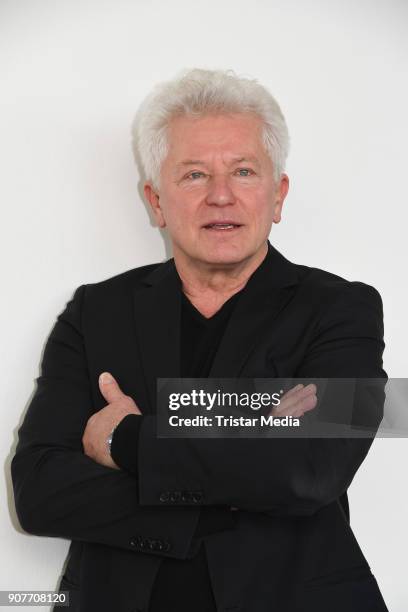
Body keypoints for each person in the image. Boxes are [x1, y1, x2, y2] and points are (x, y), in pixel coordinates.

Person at [11, 68, 389, 612]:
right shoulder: (95, 312)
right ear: (156, 200)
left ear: (277, 195)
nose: (220, 196)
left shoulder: (341, 308)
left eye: (243, 171)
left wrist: (129, 440)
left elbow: (313, 468)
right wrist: (253, 445)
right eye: (192, 175)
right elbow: (40, 491)